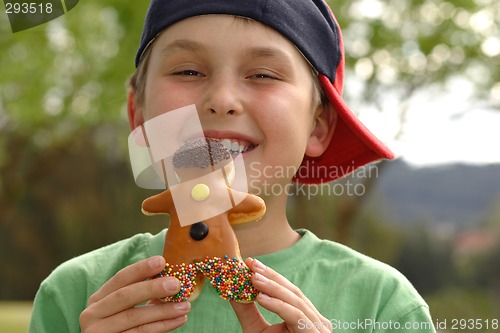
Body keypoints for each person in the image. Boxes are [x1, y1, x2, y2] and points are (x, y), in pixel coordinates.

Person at [29, 0, 436, 332]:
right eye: (188, 70)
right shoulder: (74, 294)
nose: (221, 99)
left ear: (318, 125)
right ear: (140, 117)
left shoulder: (384, 306)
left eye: (262, 74)